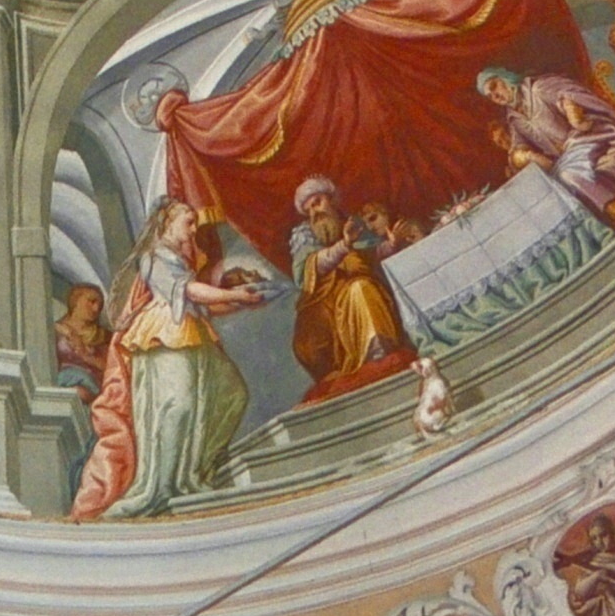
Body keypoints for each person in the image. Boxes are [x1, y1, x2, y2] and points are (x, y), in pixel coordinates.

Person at [69, 197, 273, 521]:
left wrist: (246, 301)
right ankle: (161, 487)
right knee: (177, 406)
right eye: (188, 222)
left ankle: (192, 471)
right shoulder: (153, 258)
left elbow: (202, 304)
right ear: (167, 224)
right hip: (162, 335)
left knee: (232, 393)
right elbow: (189, 292)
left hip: (191, 333)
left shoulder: (182, 261)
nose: (193, 229)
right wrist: (233, 294)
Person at [480, 64, 615, 226]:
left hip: (588, 135)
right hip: (567, 156)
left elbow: (567, 95)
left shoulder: (539, 88)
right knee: (558, 184)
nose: (496, 95)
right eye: (490, 96)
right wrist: (520, 155)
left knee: (568, 175)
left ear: (505, 78)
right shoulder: (513, 119)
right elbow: (517, 146)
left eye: (494, 86)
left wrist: (572, 112)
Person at [284, 175, 418, 401]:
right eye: (309, 210)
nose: (315, 212)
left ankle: (379, 350)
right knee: (358, 288)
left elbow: (373, 254)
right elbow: (305, 271)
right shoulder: (305, 235)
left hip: (358, 284)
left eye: (317, 202)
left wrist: (391, 244)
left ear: (331, 200)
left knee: (362, 287)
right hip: (325, 303)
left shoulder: (352, 224)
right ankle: (365, 356)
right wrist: (344, 247)